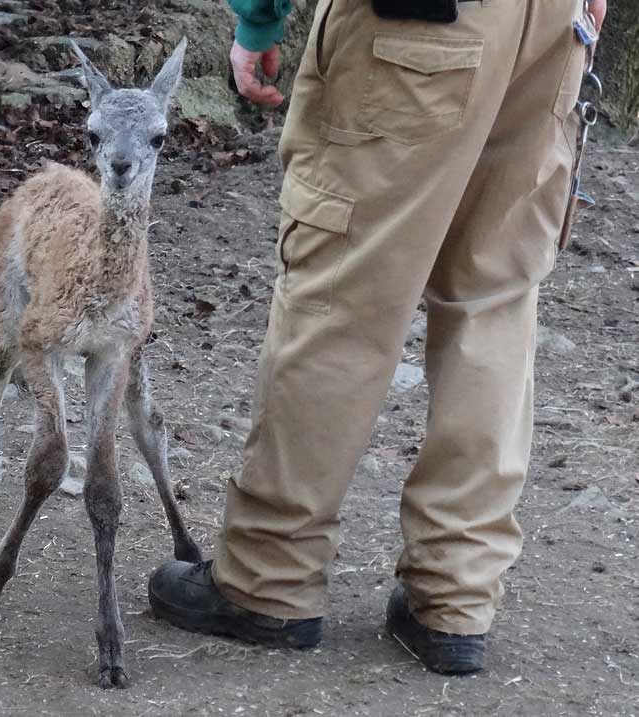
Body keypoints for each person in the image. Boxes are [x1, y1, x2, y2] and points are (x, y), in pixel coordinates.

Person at [148, 0, 607, 675]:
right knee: (494, 298)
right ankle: (456, 597)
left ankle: (270, 575)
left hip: (419, 26)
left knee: (343, 294)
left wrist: (258, 19)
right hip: (553, 25)